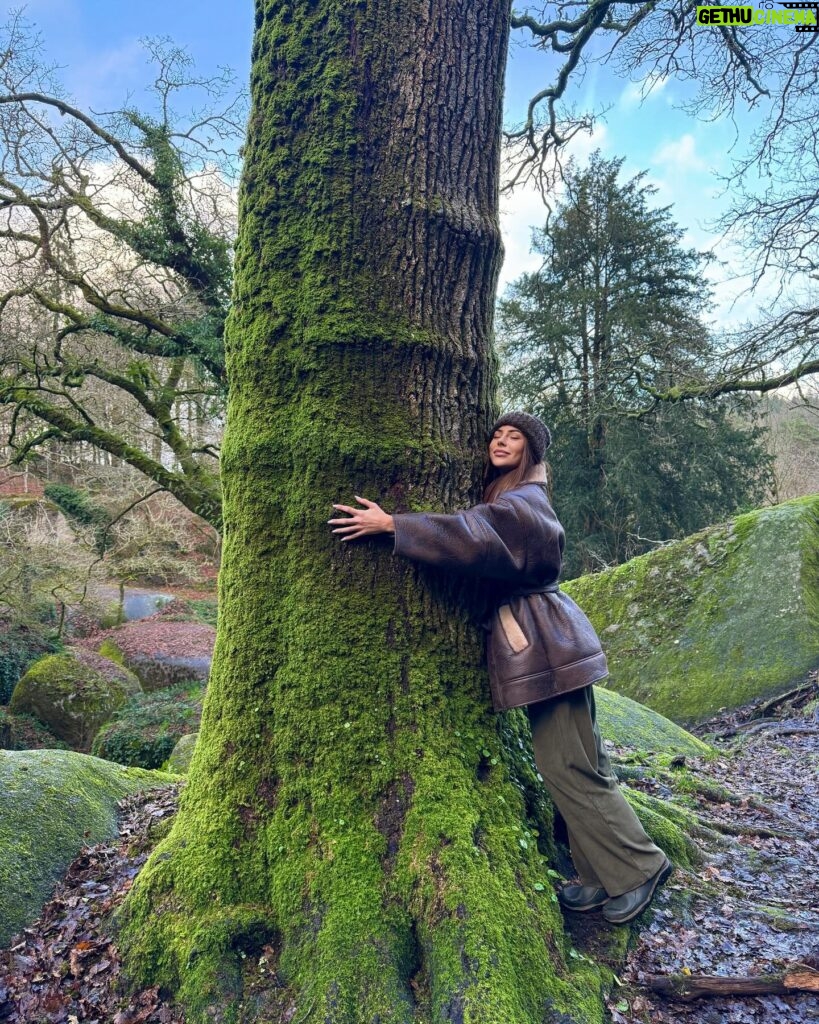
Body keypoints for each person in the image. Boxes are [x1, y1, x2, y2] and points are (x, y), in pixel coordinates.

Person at [328, 411, 672, 925]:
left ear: (531, 453)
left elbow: (475, 535)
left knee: (567, 763)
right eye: (497, 434)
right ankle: (601, 874)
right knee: (579, 759)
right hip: (550, 644)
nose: (501, 441)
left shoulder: (523, 504)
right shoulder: (511, 497)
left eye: (514, 437)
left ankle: (640, 868)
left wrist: (393, 524)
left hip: (550, 646)